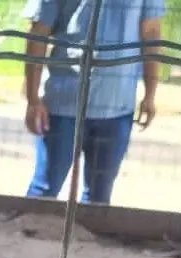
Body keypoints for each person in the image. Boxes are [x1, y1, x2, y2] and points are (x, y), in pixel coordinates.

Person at [21, 0, 163, 205]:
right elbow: (38, 31)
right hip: (64, 104)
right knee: (45, 189)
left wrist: (150, 94)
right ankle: (27, 234)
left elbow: (151, 33)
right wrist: (33, 99)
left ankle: (84, 238)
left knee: (98, 197)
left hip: (117, 106)